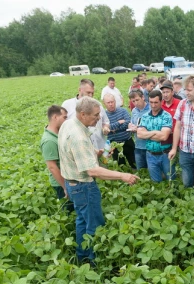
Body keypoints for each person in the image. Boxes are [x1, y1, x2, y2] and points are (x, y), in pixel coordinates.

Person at [58, 97, 140, 263]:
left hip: (72, 184)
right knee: (94, 224)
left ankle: (83, 257)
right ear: (83, 114)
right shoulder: (78, 137)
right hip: (83, 187)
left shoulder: (69, 124)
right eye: (95, 115)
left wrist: (95, 153)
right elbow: (92, 170)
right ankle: (96, 262)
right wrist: (122, 175)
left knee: (82, 221)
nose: (98, 118)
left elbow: (75, 152)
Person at [40, 105, 74, 212]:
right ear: (55, 117)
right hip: (61, 182)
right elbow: (52, 167)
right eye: (64, 117)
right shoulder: (49, 140)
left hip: (68, 177)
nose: (66, 120)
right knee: (69, 211)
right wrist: (65, 187)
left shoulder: (59, 133)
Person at [62, 79, 110, 151]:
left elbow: (105, 122)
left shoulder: (98, 105)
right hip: (79, 149)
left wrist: (105, 128)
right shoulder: (67, 105)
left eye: (92, 93)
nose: (90, 96)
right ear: (80, 90)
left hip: (99, 146)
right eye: (88, 93)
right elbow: (62, 126)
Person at [137, 90, 174, 182]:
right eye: (151, 102)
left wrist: (147, 133)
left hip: (165, 154)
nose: (153, 105)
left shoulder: (166, 116)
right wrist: (155, 132)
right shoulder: (145, 117)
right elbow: (139, 134)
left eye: (156, 102)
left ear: (161, 102)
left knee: (171, 181)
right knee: (155, 182)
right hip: (150, 155)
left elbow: (164, 137)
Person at [103, 94, 135, 168]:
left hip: (127, 141)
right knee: (120, 165)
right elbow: (105, 128)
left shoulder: (123, 110)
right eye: (108, 102)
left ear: (115, 101)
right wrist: (119, 122)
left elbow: (128, 122)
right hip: (114, 144)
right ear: (104, 103)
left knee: (133, 162)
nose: (111, 104)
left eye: (112, 102)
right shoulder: (104, 115)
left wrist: (114, 129)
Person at [128, 89, 151, 170]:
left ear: (143, 97)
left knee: (151, 170)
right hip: (138, 145)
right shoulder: (134, 110)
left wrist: (138, 129)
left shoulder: (151, 109)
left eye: (137, 100)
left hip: (149, 146)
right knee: (140, 170)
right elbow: (133, 123)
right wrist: (131, 126)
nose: (136, 103)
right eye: (133, 101)